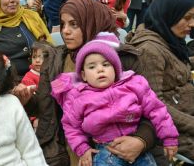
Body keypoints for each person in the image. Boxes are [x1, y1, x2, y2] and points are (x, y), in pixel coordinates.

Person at [13, 0, 165, 166]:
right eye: (63, 24)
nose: (65, 31)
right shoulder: (56, 60)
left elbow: (153, 108)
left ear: (91, 22)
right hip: (68, 147)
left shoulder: (121, 59)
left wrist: (141, 140)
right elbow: (48, 108)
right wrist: (27, 101)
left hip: (123, 147)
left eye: (74, 24)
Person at [51, 32, 179, 166]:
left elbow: (157, 111)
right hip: (105, 151)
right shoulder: (77, 97)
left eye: (106, 65)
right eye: (92, 67)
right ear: (83, 75)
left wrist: (169, 137)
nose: (100, 70)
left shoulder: (134, 84)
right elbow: (71, 126)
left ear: (116, 69)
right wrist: (83, 149)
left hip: (137, 145)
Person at [125, 0, 194, 161]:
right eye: (186, 18)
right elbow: (156, 105)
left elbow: (175, 67)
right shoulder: (149, 50)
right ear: (168, 14)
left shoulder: (168, 38)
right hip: (175, 133)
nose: (192, 24)